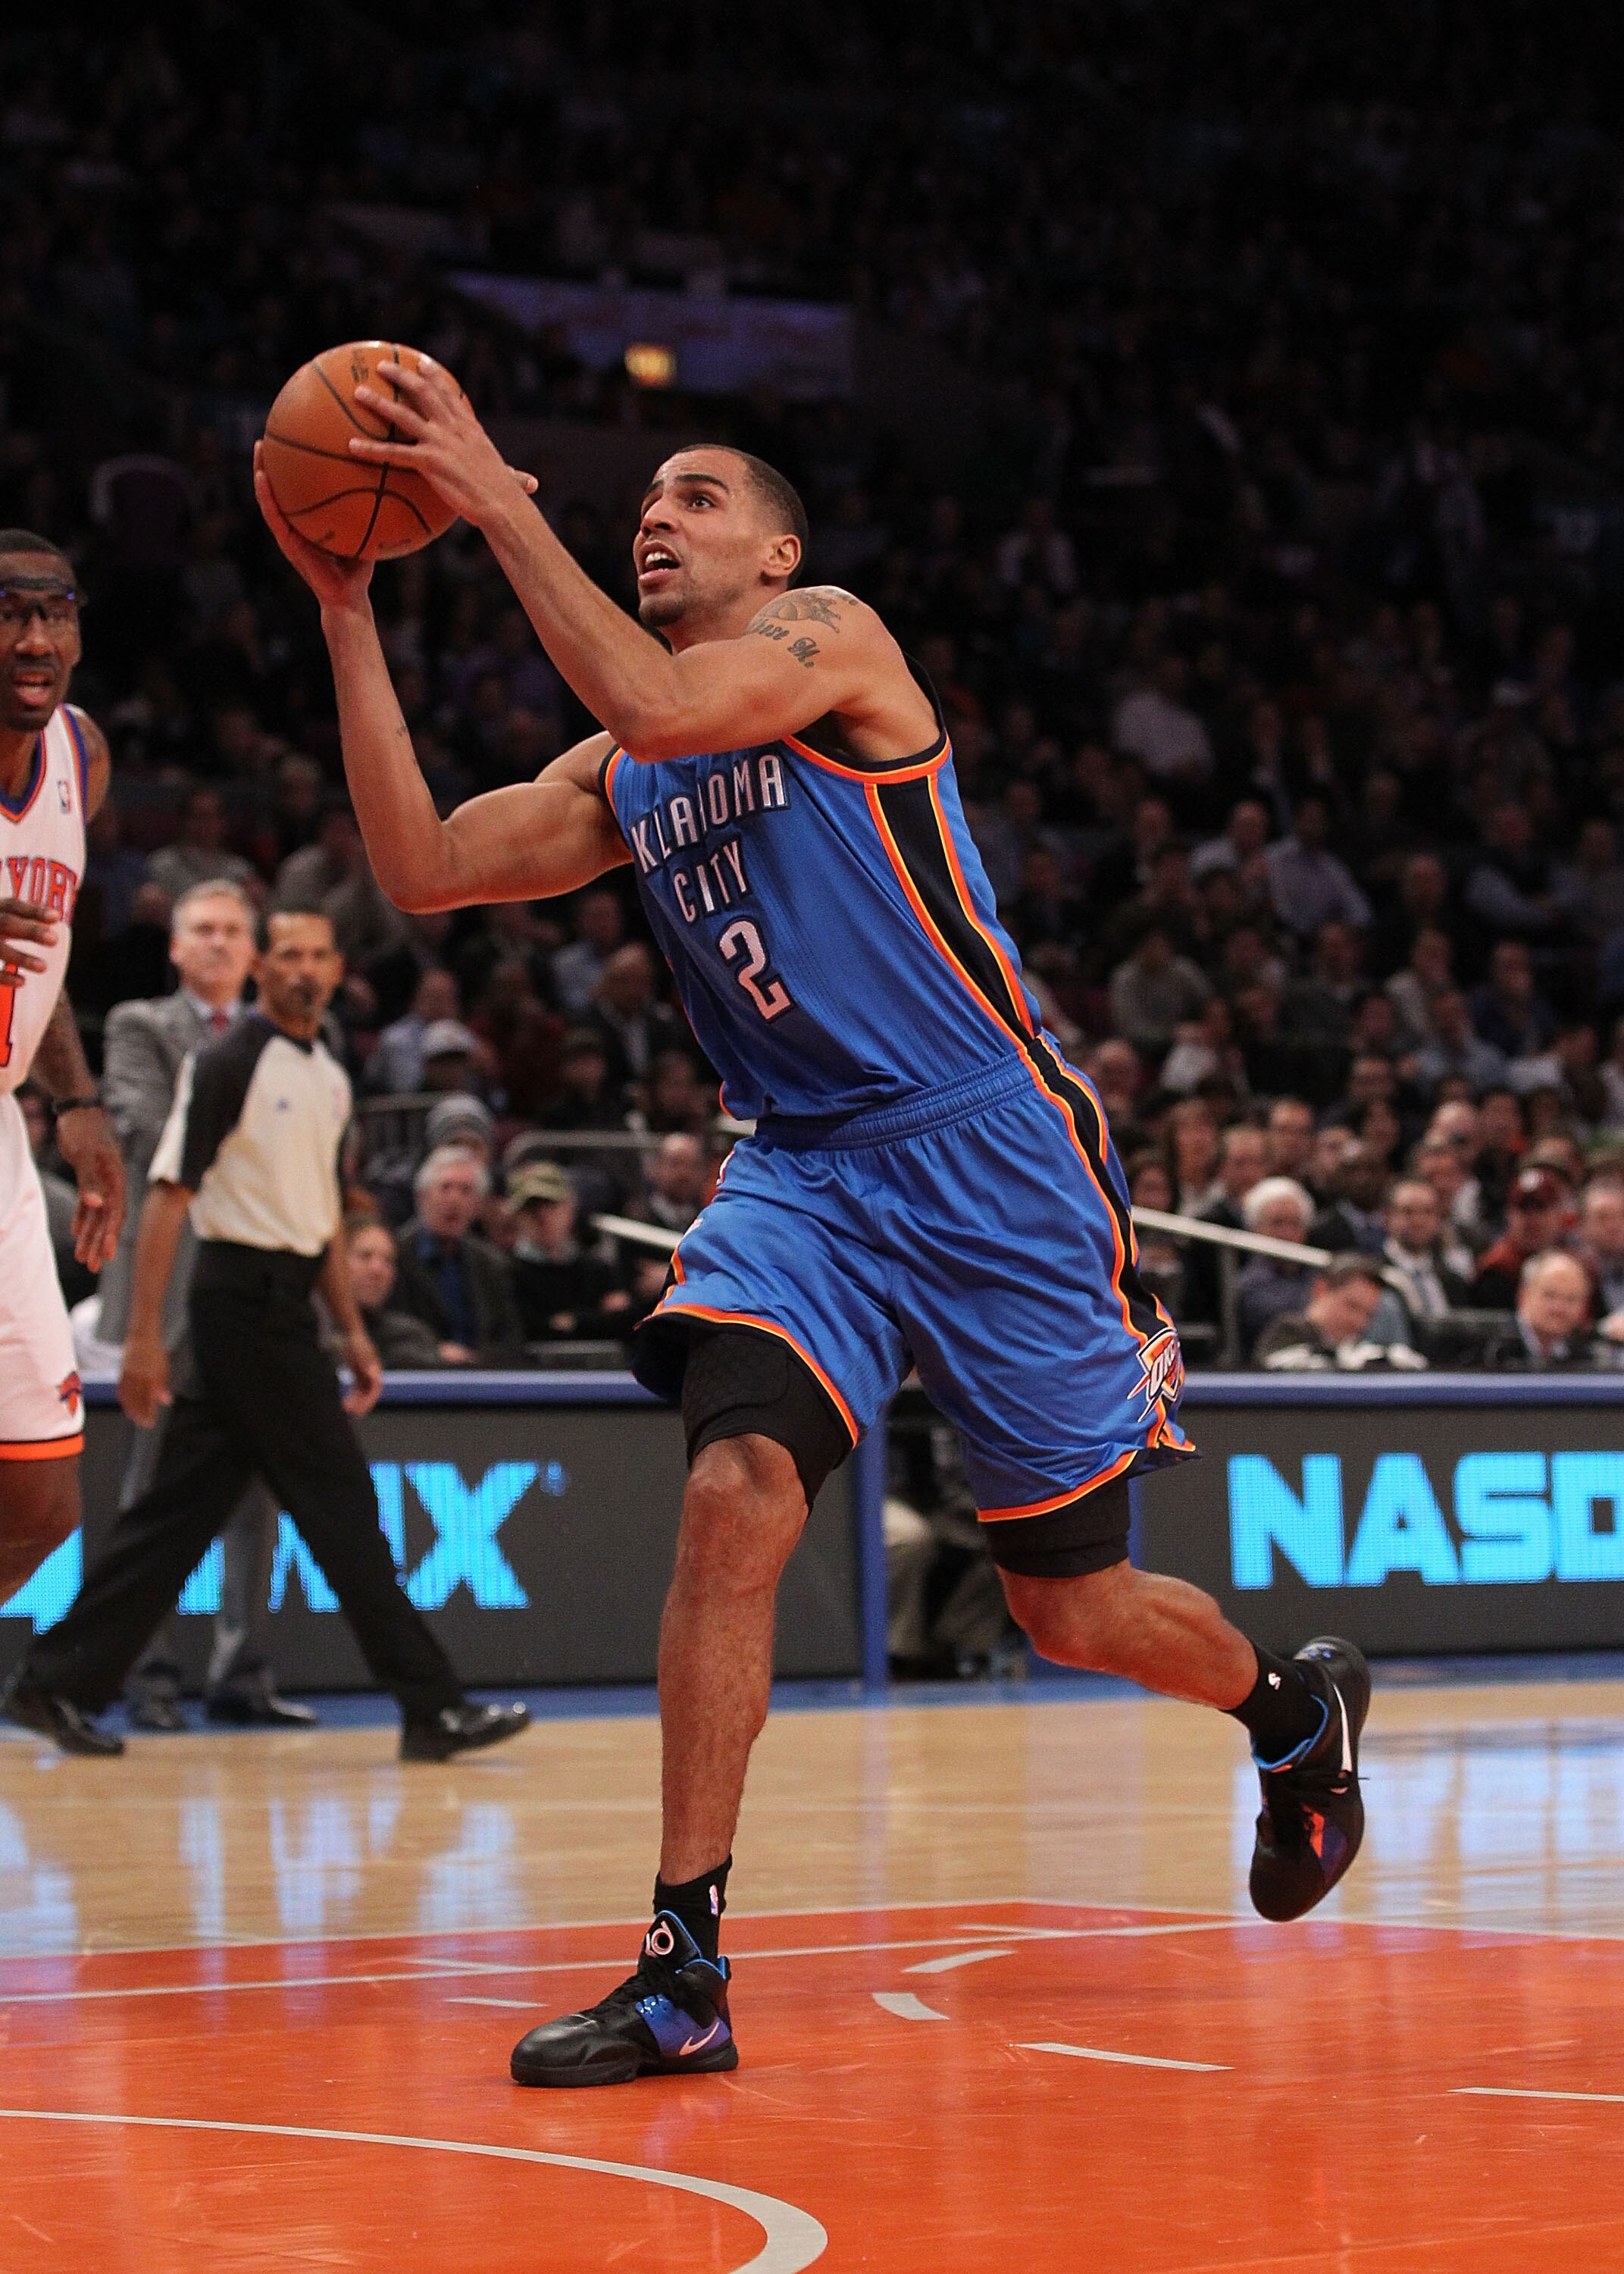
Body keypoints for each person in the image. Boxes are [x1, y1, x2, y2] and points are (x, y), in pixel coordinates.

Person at [255, 395, 1370, 2091]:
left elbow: (657, 692)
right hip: (807, 1174)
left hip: (992, 1149)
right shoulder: (628, 771)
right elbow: (421, 865)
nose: (659, 517)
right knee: (729, 1498)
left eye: (696, 498)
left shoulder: (827, 642)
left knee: (1065, 1608)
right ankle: (682, 1968)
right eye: (645, 499)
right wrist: (345, 610)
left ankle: (1292, 1723)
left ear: (776, 552)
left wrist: (487, 500)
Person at [1, 907, 530, 1762]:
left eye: (320, 954)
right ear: (261, 968)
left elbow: (322, 1218)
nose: (304, 970)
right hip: (237, 1302)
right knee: (345, 1513)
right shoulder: (229, 1060)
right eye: (288, 955)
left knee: (172, 1519)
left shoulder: (327, 1072)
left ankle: (53, 1682)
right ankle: (432, 1706)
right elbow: (171, 1193)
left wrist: (352, 1333)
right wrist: (143, 1337)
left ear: (335, 966)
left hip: (286, 1305)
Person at [99, 877, 308, 1731]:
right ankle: (142, 1674)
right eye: (203, 929)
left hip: (261, 1283)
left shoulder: (293, 1037)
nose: (219, 942)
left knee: (258, 1486)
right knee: (155, 1489)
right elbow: (143, 1134)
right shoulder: (138, 1026)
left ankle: (240, 1673)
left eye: (233, 931)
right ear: (177, 947)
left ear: (252, 952)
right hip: (173, 1283)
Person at [0, 530, 127, 1612]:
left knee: (42, 1504)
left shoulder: (80, 754)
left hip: (4, 1133)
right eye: (7, 611)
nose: (33, 638)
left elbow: (49, 955)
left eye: (55, 611)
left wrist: (77, 1099)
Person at [391, 1144, 526, 1364]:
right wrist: (433, 1353)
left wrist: (475, 1361)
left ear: (478, 1206)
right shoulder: (395, 1258)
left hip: (484, 1382)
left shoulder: (492, 1264)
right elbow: (387, 1331)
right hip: (418, 1378)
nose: (454, 1200)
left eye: (466, 1190)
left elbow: (510, 1338)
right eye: (445, 1188)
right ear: (422, 1197)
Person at [508, 1160, 632, 1343]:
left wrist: (573, 1322)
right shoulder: (506, 1272)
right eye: (532, 1209)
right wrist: (595, 1319)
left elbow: (624, 1322)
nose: (544, 1217)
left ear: (571, 1208)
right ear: (518, 1217)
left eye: (551, 1205)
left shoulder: (597, 1270)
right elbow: (526, 1330)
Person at [1255, 1254, 1425, 1371]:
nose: (1360, 1322)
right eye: (1352, 1306)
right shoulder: (1287, 1331)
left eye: (1368, 1314)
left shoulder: (1354, 1349)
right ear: (1321, 1290)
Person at [1481, 1250, 1617, 1371]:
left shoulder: (1587, 1358)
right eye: (1550, 1295)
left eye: (1571, 1299)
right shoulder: (1490, 1349)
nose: (1559, 1308)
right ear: (1524, 1296)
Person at [342, 1213, 445, 1367]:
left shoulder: (410, 1337)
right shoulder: (311, 1335)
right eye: (365, 1256)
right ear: (337, 1262)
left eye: (388, 1261)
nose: (377, 1270)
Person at [1472, 1167, 1573, 1308]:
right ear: (1509, 1215)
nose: (1532, 1219)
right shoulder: (1495, 1272)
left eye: (1540, 1208)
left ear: (1559, 1213)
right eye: (1523, 1209)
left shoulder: (1574, 1268)